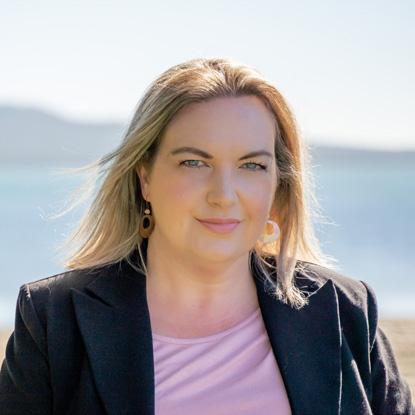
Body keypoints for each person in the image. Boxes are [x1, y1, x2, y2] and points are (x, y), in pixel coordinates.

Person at [0, 57, 413, 415]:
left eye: (252, 166)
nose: (224, 195)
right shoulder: (55, 320)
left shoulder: (344, 309)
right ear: (145, 177)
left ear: (277, 183)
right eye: (194, 163)